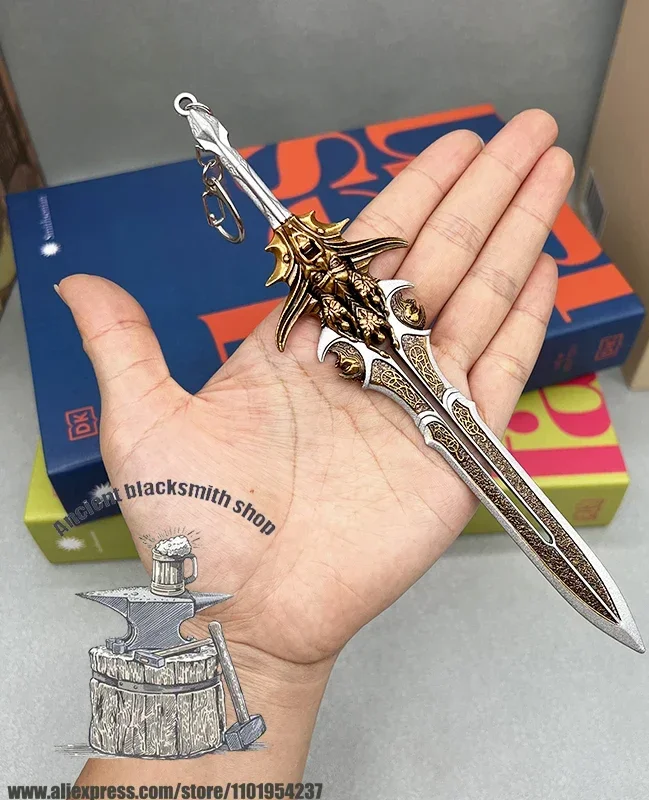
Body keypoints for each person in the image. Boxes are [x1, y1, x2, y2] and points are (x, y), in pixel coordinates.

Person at [57, 108, 573, 782]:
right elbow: (302, 312)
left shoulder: (355, 265)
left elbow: (365, 259)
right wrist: (246, 647)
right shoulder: (308, 296)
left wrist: (250, 655)